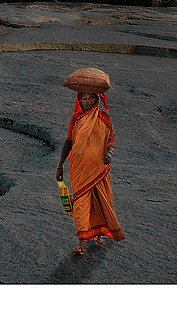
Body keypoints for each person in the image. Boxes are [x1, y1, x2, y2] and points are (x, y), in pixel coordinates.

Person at [55, 74, 126, 255]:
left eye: (91, 98)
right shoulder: (76, 118)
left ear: (97, 99)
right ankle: (81, 243)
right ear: (80, 100)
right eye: (84, 98)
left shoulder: (103, 118)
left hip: (98, 167)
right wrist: (60, 165)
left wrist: (109, 153)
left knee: (100, 200)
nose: (87, 101)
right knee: (80, 204)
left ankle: (99, 233)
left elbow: (110, 138)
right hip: (78, 168)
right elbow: (68, 141)